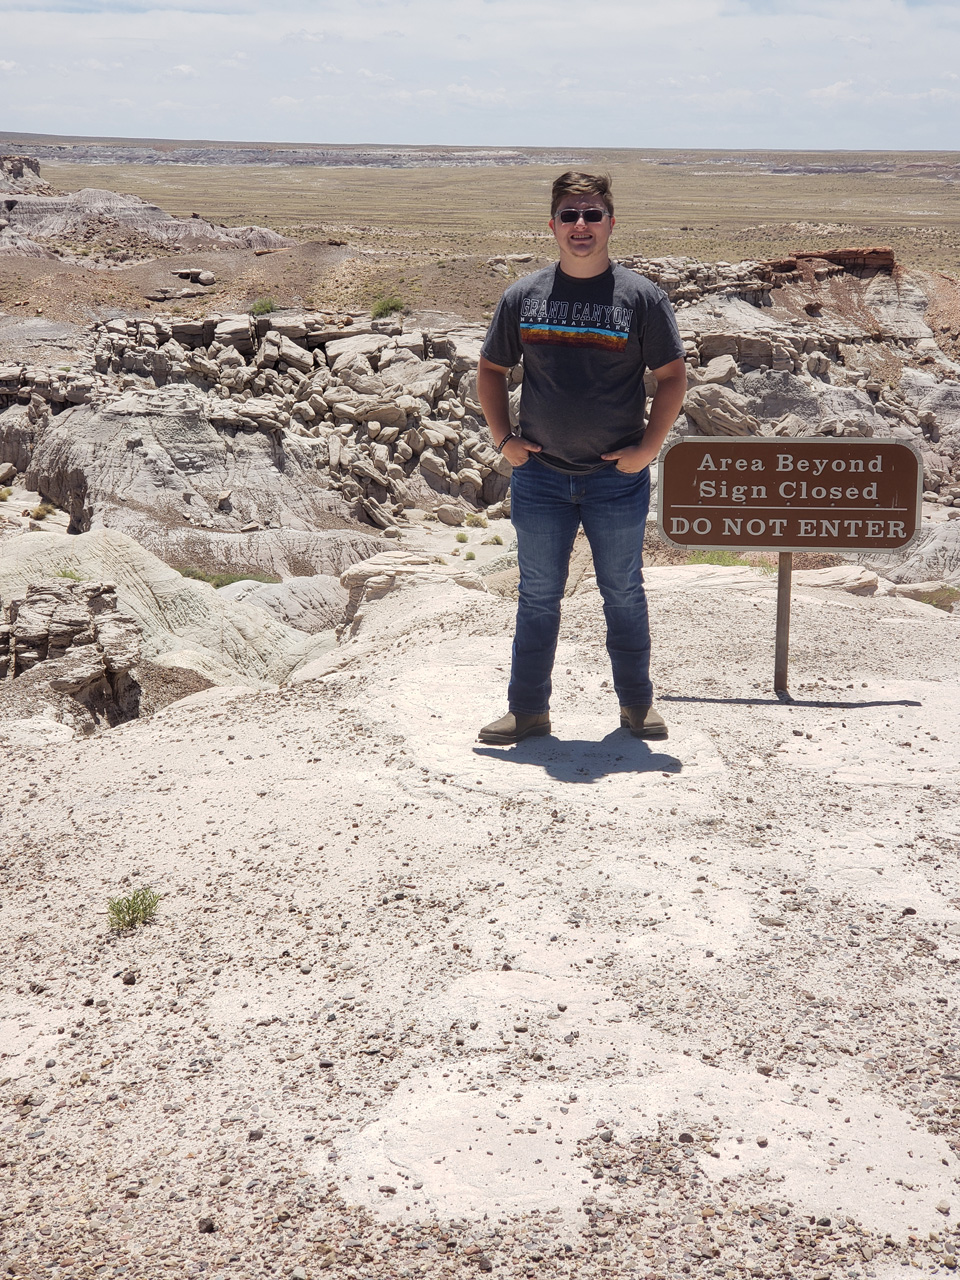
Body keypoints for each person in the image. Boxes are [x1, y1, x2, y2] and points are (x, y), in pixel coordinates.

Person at [476, 170, 687, 745]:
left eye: (592, 215)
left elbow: (671, 378)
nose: (581, 226)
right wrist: (504, 441)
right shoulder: (523, 296)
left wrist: (648, 449)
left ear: (611, 223)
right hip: (541, 478)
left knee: (622, 590)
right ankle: (528, 712)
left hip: (614, 480)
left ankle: (637, 706)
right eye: (569, 215)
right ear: (552, 226)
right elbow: (491, 370)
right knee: (539, 595)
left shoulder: (641, 298)